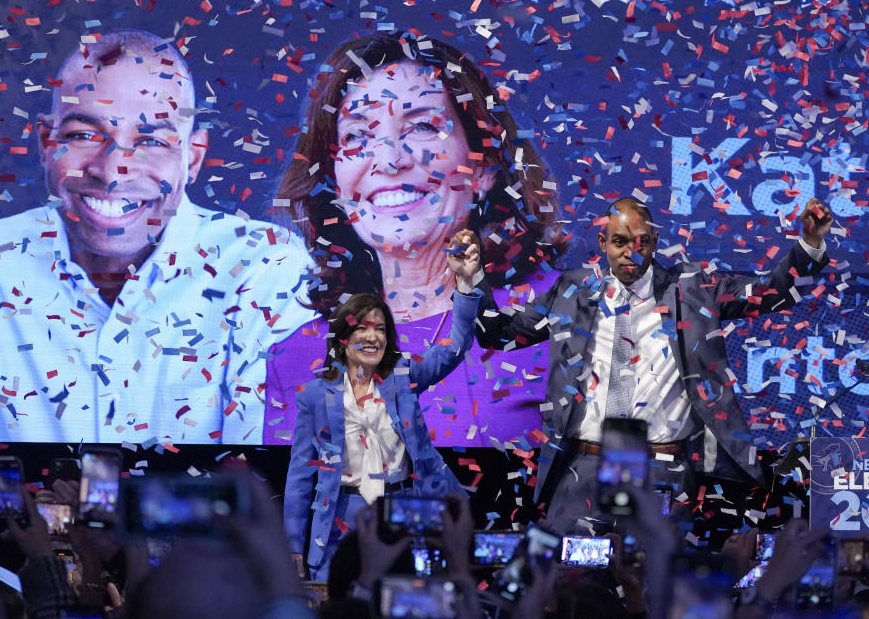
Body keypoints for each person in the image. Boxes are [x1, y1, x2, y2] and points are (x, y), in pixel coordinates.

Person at [0, 29, 313, 444]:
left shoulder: (265, 270)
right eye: (84, 135)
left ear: (192, 157)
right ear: (47, 143)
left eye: (151, 140)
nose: (114, 170)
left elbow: (276, 485)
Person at [264, 30, 567, 446]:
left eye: (422, 125)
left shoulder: (571, 314)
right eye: (356, 136)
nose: (389, 159)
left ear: (484, 168)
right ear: (333, 183)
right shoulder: (298, 358)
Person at [475, 196, 833, 532]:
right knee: (569, 580)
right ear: (602, 243)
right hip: (586, 467)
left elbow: (768, 293)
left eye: (642, 242)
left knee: (656, 584)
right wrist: (470, 280)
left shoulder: (692, 288)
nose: (632, 252)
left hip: (664, 470)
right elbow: (501, 333)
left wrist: (809, 244)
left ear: (656, 240)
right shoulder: (573, 292)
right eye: (620, 242)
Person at [284, 230, 481, 581]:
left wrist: (464, 285)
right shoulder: (315, 395)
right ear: (343, 339)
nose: (372, 336)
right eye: (362, 328)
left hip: (406, 511)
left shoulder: (403, 377)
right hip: (342, 519)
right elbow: (300, 477)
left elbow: (454, 348)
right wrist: (294, 547)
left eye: (380, 329)